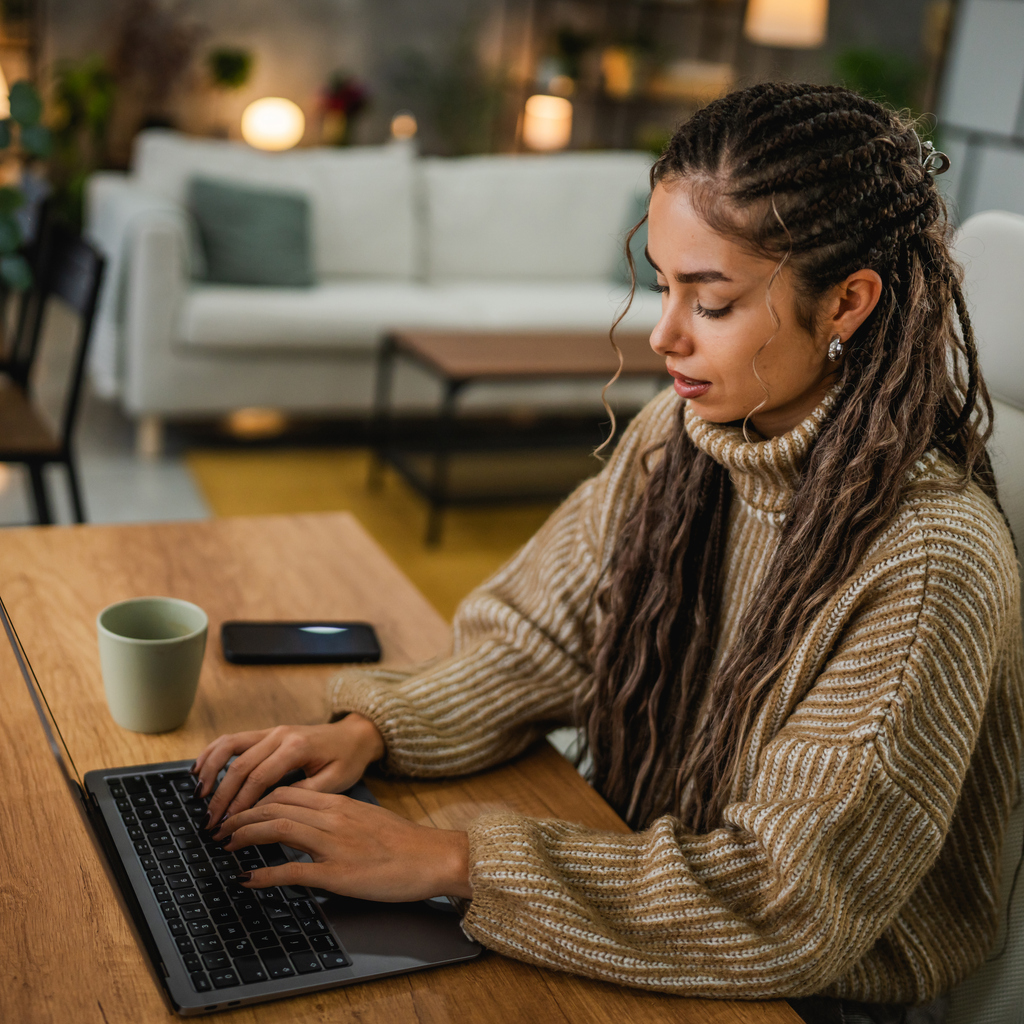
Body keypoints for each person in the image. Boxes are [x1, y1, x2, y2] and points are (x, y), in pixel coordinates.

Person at [191, 83, 1023, 1020]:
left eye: (712, 302)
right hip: (636, 875)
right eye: (664, 285)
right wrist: (373, 731)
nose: (664, 335)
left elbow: (781, 907)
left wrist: (453, 861)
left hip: (804, 993)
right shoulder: (687, 434)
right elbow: (544, 634)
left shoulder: (928, 563)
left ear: (847, 303)